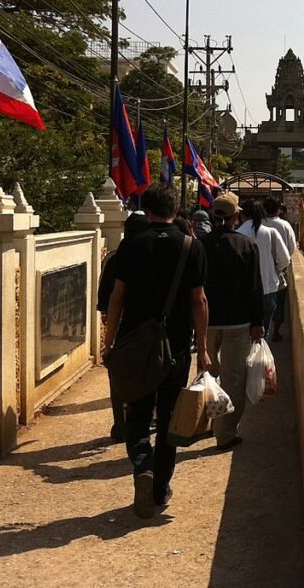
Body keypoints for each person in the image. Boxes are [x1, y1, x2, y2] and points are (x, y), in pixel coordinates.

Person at [104, 184, 209, 518]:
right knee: (169, 421)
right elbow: (199, 301)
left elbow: (117, 299)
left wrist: (109, 342)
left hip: (137, 346)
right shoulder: (192, 246)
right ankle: (160, 488)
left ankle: (143, 466)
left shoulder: (131, 245)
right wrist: (203, 349)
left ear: (146, 210)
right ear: (175, 210)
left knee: (137, 414)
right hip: (176, 348)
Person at [200, 192, 264, 451]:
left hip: (206, 321)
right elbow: (254, 288)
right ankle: (225, 433)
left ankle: (205, 423)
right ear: (236, 215)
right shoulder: (246, 245)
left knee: (207, 374)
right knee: (233, 379)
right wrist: (258, 321)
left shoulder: (200, 245)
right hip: (238, 321)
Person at [97, 211, 148, 443]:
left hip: (119, 327)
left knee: (117, 376)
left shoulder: (113, 258)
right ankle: (141, 419)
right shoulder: (149, 257)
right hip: (145, 325)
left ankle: (120, 424)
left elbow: (105, 298)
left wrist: (108, 336)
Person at [238, 200, 292, 331]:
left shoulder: (237, 234)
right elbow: (285, 259)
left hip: (244, 292)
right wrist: (273, 270)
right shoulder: (271, 233)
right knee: (263, 332)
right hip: (268, 290)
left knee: (245, 333)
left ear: (241, 215)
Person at [263, 197, 297, 341]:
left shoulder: (258, 224)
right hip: (280, 269)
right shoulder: (285, 225)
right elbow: (292, 249)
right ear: (278, 210)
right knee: (279, 302)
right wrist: (278, 268)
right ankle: (275, 331)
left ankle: (263, 332)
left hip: (261, 269)